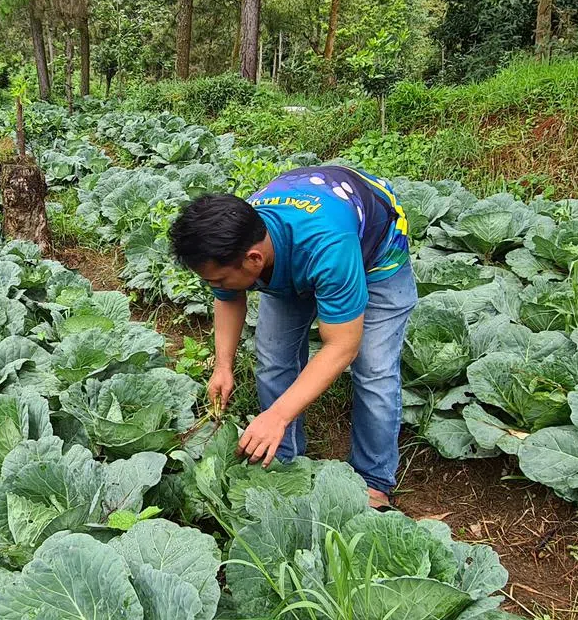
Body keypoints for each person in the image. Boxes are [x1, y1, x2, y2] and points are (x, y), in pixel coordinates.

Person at [169, 165, 417, 509]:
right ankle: (282, 460)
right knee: (273, 359)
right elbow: (228, 297)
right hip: (297, 246)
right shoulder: (236, 246)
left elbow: (343, 345)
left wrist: (278, 414)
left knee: (374, 369)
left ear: (253, 260)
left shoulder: (329, 247)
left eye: (219, 280)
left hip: (375, 248)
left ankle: (374, 478)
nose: (215, 288)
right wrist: (223, 366)